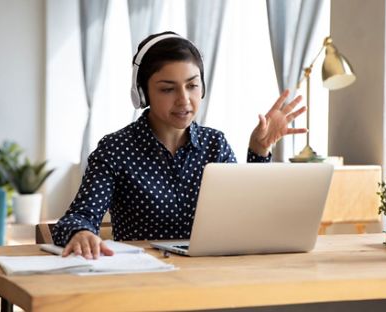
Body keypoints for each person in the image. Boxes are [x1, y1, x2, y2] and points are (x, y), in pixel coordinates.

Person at [52, 31, 307, 259]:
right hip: (142, 280)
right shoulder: (115, 149)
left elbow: (249, 217)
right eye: (167, 89)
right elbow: (77, 217)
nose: (184, 100)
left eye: (192, 85)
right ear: (142, 93)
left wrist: (259, 151)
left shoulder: (214, 144)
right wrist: (81, 232)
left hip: (209, 277)